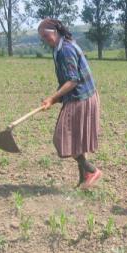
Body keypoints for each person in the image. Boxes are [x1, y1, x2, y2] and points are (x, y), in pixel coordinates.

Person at [38, 18, 102, 188]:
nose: (45, 40)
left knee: (61, 139)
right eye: (42, 38)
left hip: (81, 98)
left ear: (55, 32)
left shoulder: (65, 49)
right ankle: (83, 180)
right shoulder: (60, 47)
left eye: (46, 36)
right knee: (77, 141)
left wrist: (53, 98)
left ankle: (91, 170)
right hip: (81, 96)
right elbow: (68, 79)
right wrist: (54, 99)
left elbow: (73, 80)